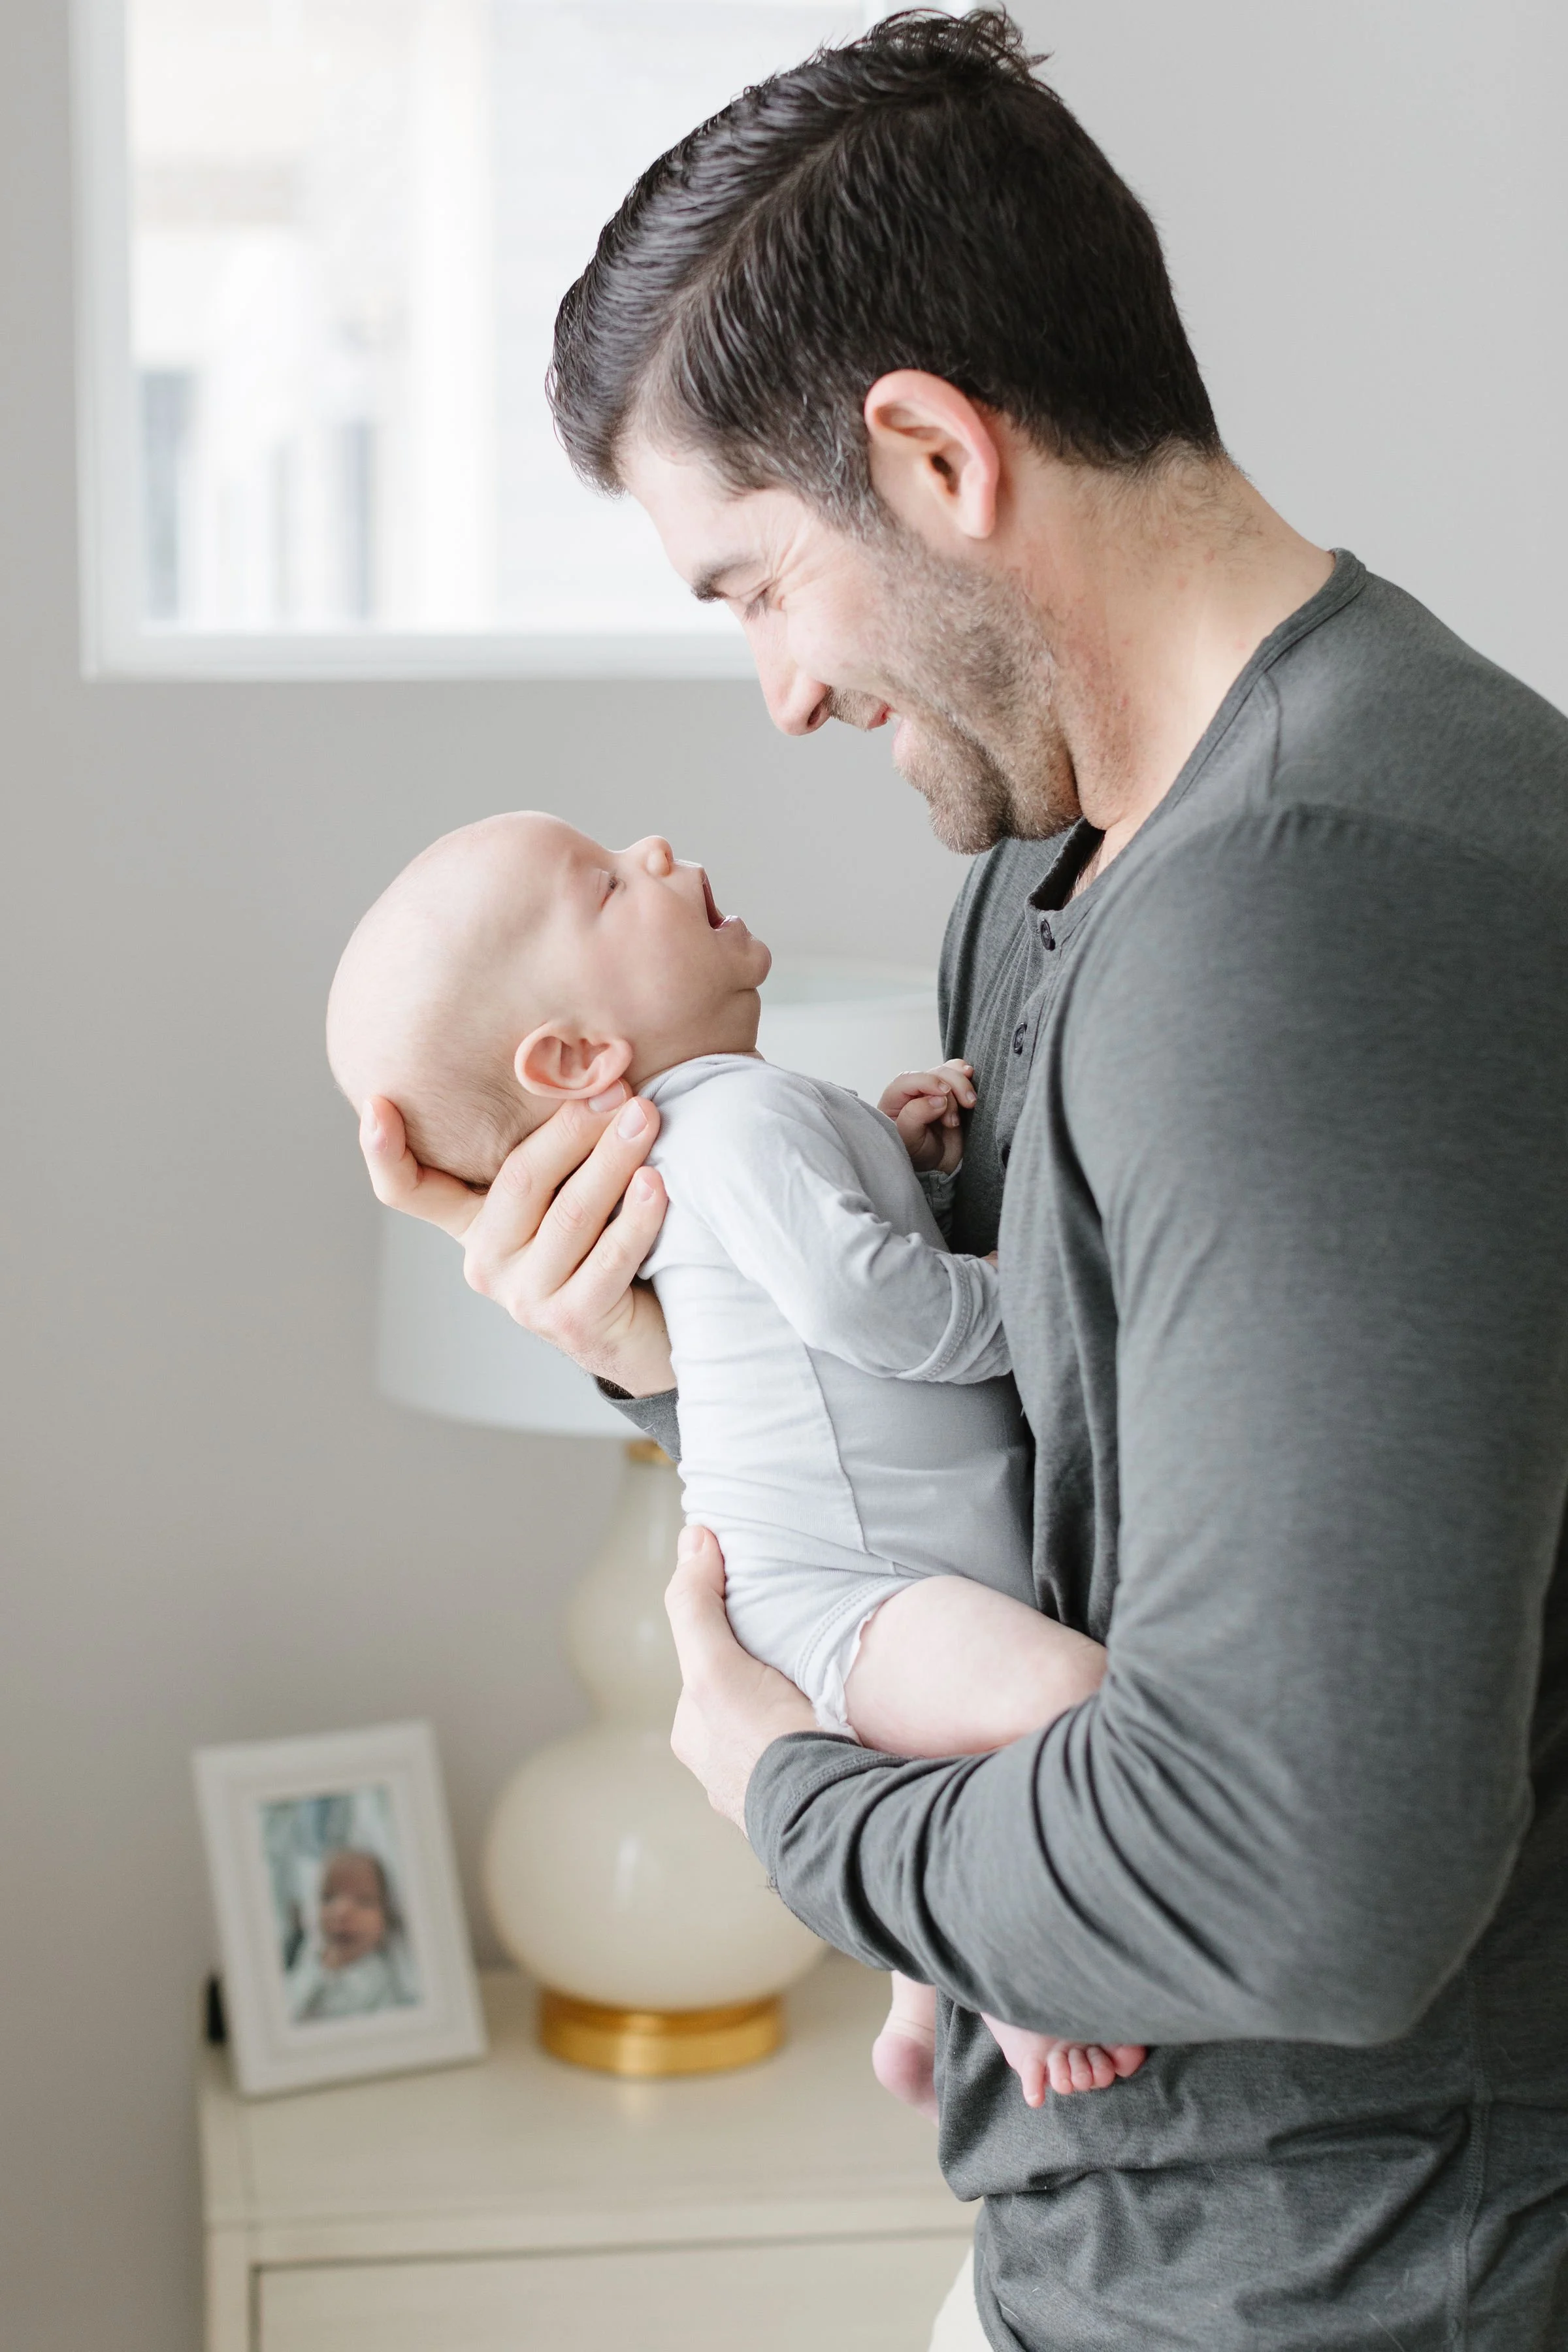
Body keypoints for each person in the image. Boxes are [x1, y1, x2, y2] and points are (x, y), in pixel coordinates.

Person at [353, 12, 1568, 2345]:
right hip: (1121, 2247)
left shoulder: (1318, 910)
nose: (777, 698)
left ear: (927, 454)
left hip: (1354, 2291)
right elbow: (1060, 1488)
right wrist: (669, 1346)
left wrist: (785, 1792)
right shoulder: (1052, 881)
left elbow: (1307, 1883)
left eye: (746, 586)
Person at [327, 808, 1141, 2108]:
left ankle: (920, 2021)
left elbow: (817, 1284)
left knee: (964, 1762)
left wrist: (906, 1155)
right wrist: (1035, 1291)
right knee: (1075, 1702)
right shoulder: (731, 1126)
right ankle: (1022, 1991)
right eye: (602, 885)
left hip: (862, 1574)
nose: (653, 850)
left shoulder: (750, 1118)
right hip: (851, 1596)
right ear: (580, 1054)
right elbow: (872, 1307)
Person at [282, 1848, 419, 2024]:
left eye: (363, 1901)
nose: (341, 1912)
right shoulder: (309, 1961)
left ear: (386, 1918)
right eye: (328, 1898)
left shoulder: (385, 1983)